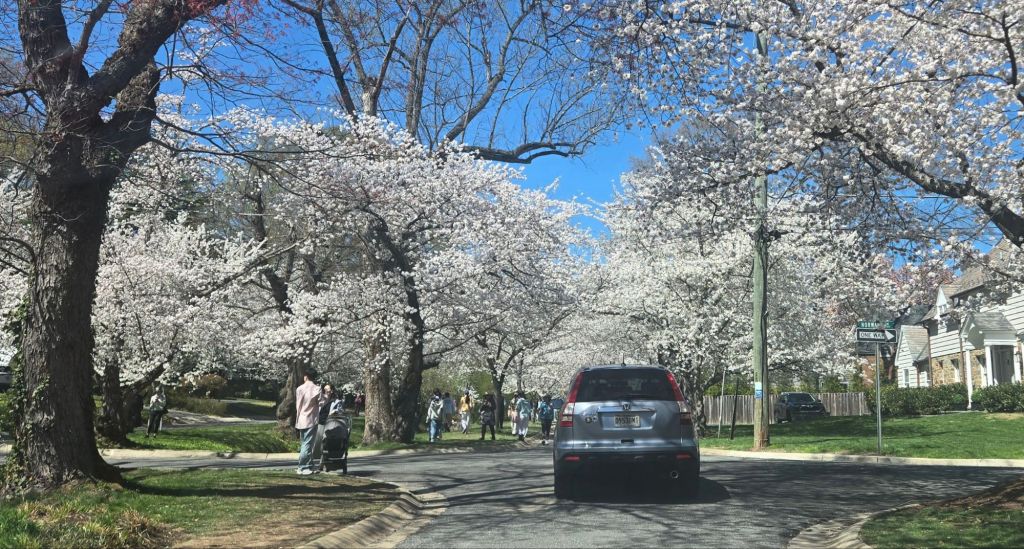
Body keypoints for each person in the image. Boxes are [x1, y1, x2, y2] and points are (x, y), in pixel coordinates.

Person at [295, 370, 320, 475]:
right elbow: (321, 403)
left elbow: (298, 406)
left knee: (305, 443)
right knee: (308, 444)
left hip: (301, 418)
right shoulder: (317, 389)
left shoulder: (299, 389)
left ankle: (309, 465)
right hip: (311, 419)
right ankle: (303, 467)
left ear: (306, 377)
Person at [312, 383, 338, 468]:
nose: (326, 391)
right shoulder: (320, 399)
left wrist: (334, 412)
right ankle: (313, 462)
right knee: (318, 443)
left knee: (325, 444)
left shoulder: (335, 401)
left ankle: (322, 463)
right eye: (324, 389)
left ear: (332, 391)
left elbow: (340, 411)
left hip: (329, 424)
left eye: (328, 389)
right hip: (320, 423)